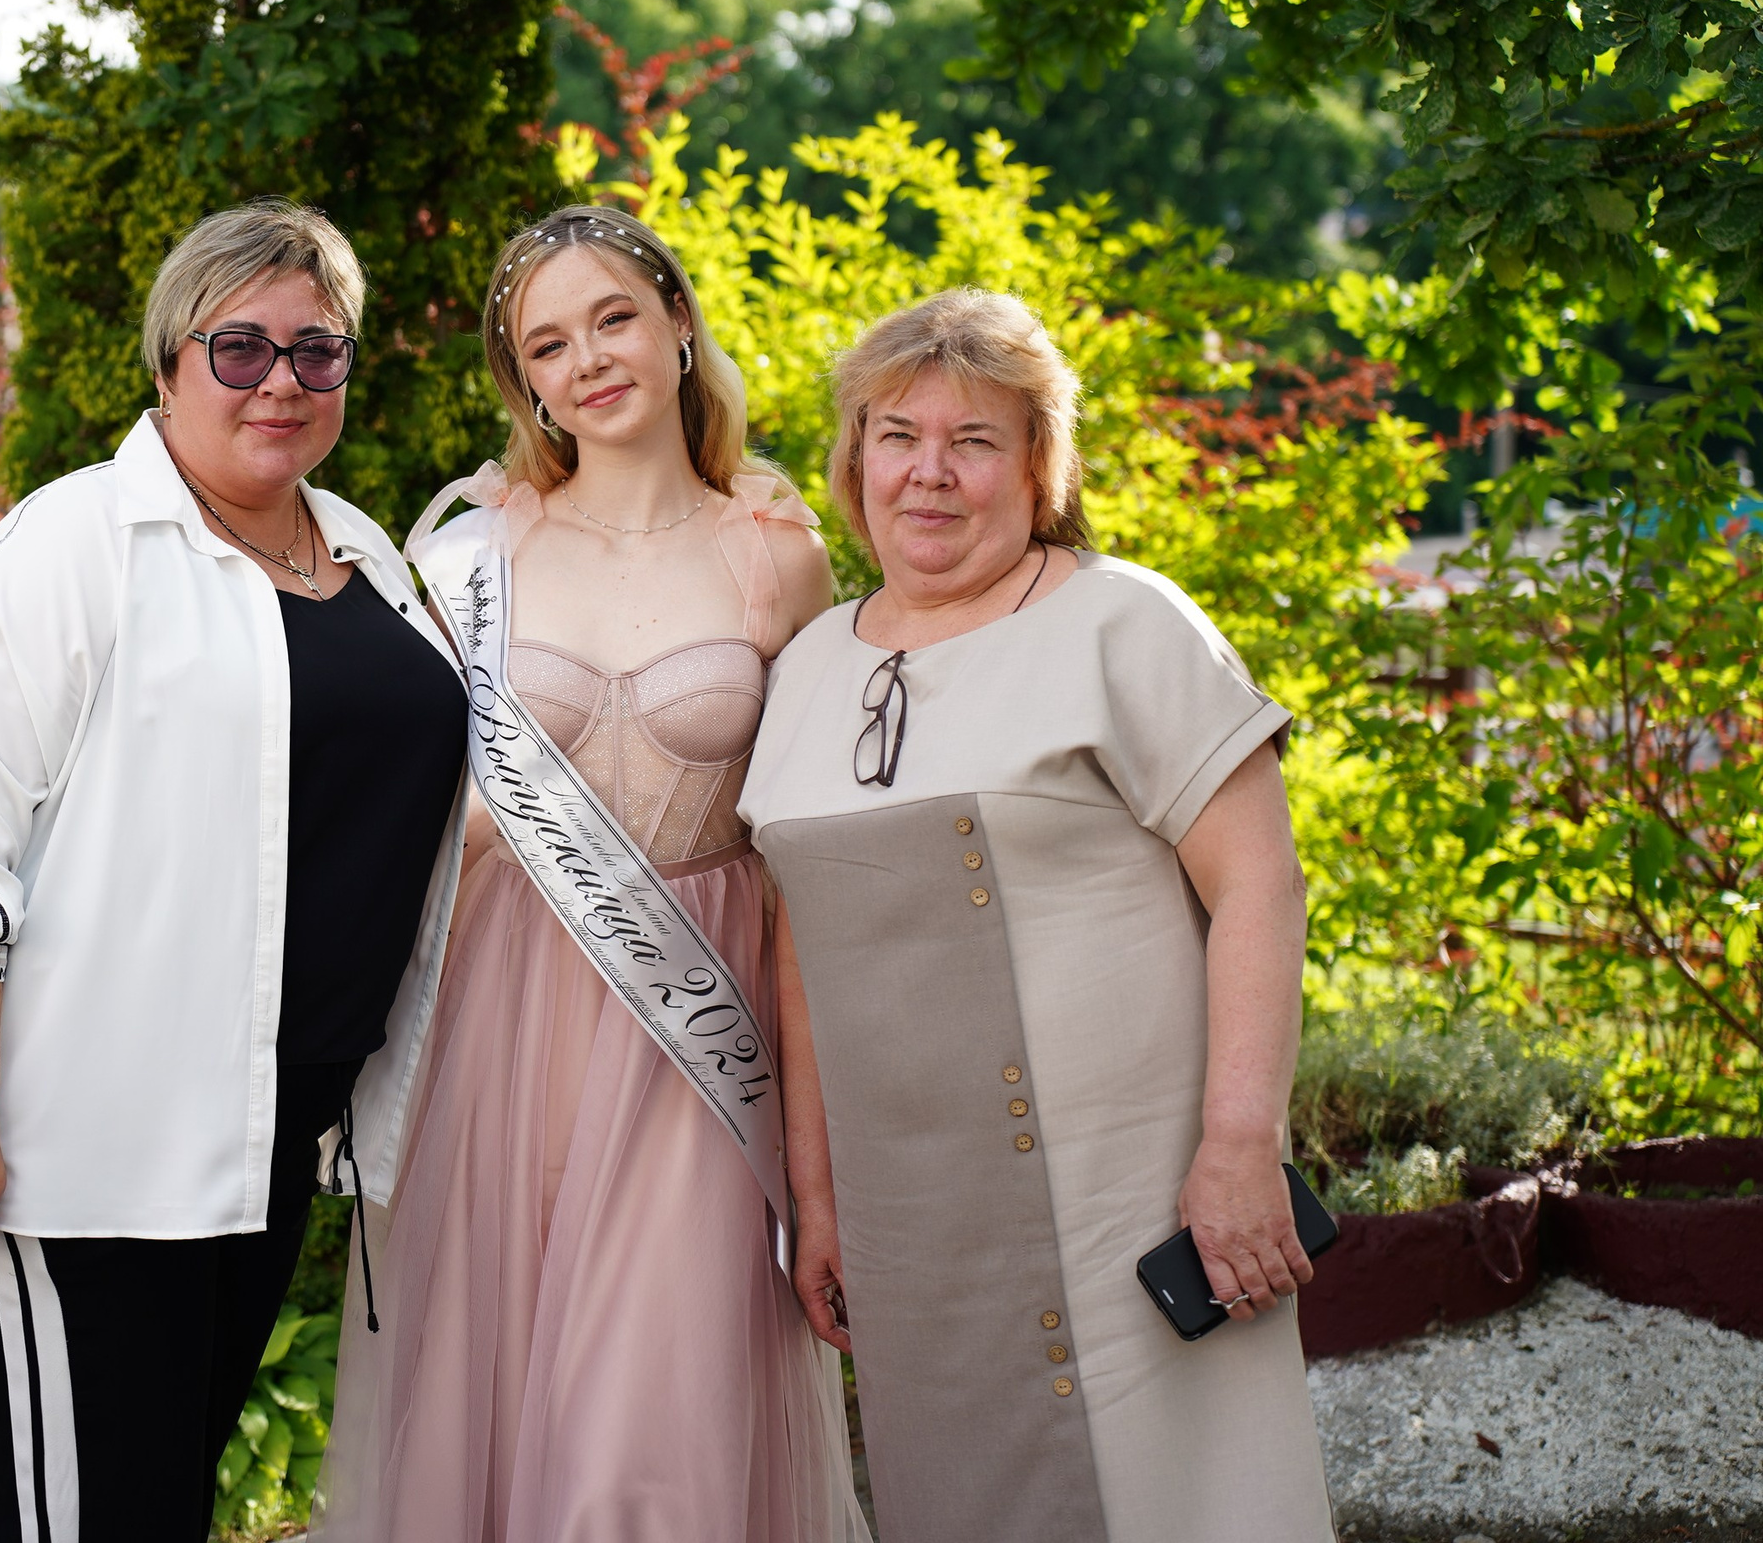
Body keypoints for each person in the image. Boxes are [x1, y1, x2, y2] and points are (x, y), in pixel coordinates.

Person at [0, 199, 471, 1543]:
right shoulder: (71, 544)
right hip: (81, 1145)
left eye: (317, 350)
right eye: (240, 347)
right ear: (167, 364)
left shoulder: (370, 555)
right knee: (84, 1523)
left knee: (161, 1508)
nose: (281, 381)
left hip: (271, 1131)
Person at [739, 288, 1336, 1543]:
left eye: (975, 441)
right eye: (898, 437)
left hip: (1129, 1202)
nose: (930, 475)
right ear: (853, 463)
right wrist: (820, 1199)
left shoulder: (1122, 620)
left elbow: (1258, 885)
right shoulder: (805, 669)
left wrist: (1239, 1143)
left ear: (1038, 465)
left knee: (1174, 1503)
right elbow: (800, 951)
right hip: (915, 1232)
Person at [314, 206, 867, 1542]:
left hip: (698, 1018)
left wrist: (818, 1153)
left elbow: (809, 850)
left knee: (648, 1437)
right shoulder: (475, 553)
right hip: (499, 1024)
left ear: (678, 321)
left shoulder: (777, 549)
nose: (588, 361)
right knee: (483, 1403)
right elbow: (409, 810)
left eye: (612, 317)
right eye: (545, 344)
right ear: (525, 383)